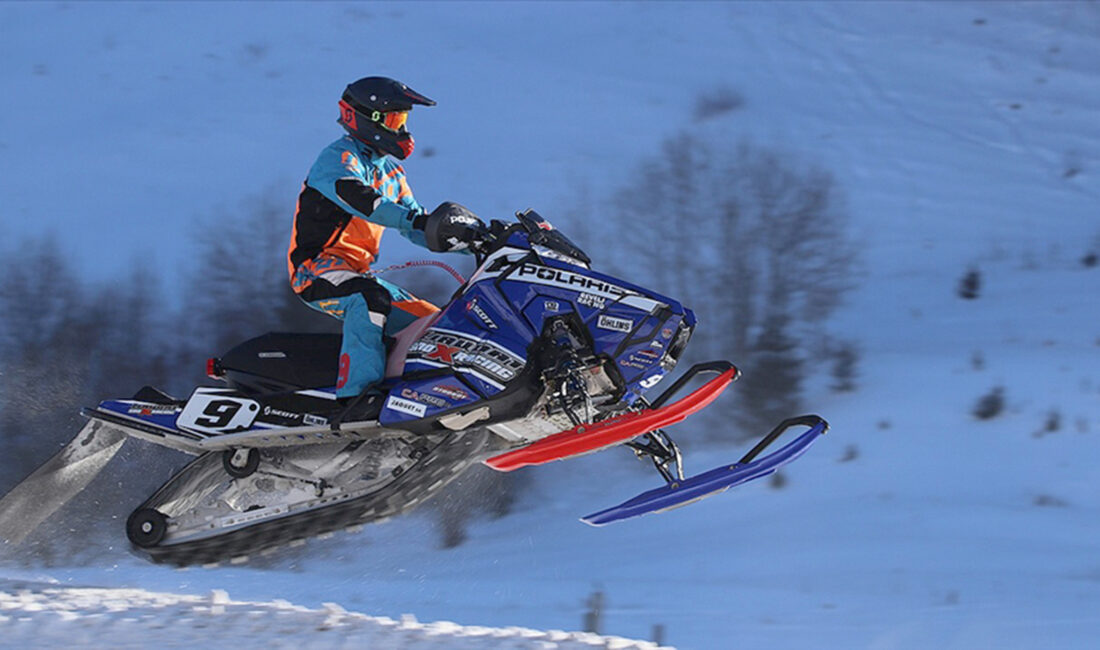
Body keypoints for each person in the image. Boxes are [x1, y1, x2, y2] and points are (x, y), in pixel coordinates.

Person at [287, 76, 486, 404]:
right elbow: (363, 200)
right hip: (315, 269)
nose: (402, 130)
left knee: (436, 322)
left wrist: (474, 239)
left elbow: (416, 225)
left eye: (404, 120)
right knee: (369, 299)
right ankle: (356, 401)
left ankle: (433, 399)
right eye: (395, 120)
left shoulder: (391, 174)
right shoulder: (338, 158)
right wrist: (417, 219)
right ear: (367, 119)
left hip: (358, 273)